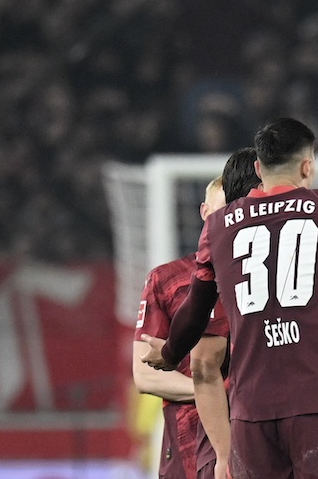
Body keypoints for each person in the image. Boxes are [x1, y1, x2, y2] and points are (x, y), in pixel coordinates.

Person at [141, 118, 318, 478]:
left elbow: (196, 310)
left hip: (250, 407)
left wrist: (169, 353)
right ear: (308, 166)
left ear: (258, 169)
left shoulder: (219, 226)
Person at [133, 148, 261, 479]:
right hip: (187, 443)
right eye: (221, 212)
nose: (229, 222)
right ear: (205, 212)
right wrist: (215, 391)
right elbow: (145, 375)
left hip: (255, 435)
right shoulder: (167, 279)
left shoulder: (262, 275)